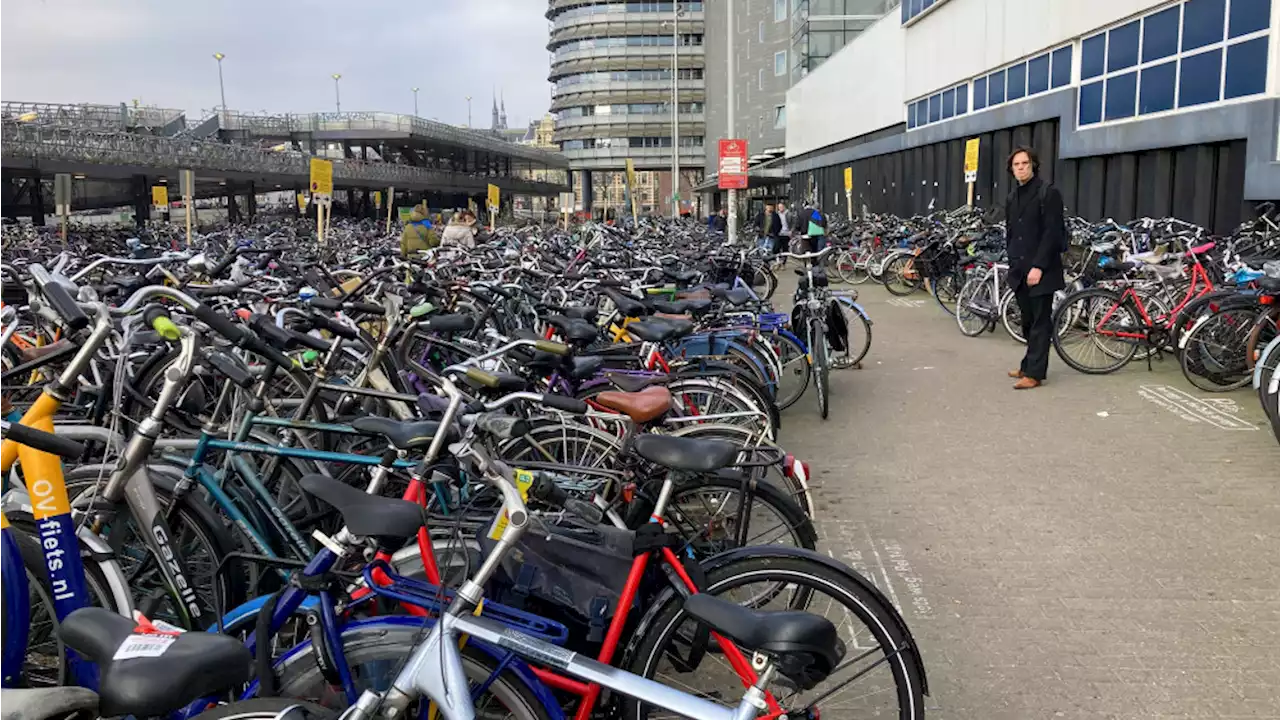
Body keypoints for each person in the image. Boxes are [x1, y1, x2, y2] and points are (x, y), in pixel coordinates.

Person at [1004, 146, 1066, 390]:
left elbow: (1052, 232)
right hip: (1019, 269)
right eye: (1016, 165)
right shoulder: (1012, 197)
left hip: (1041, 269)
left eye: (1025, 163)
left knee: (1040, 322)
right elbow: (1011, 231)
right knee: (1027, 321)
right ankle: (1028, 364)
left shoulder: (1047, 193)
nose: (1020, 168)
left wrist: (1039, 266)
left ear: (1033, 165)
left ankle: (1035, 374)